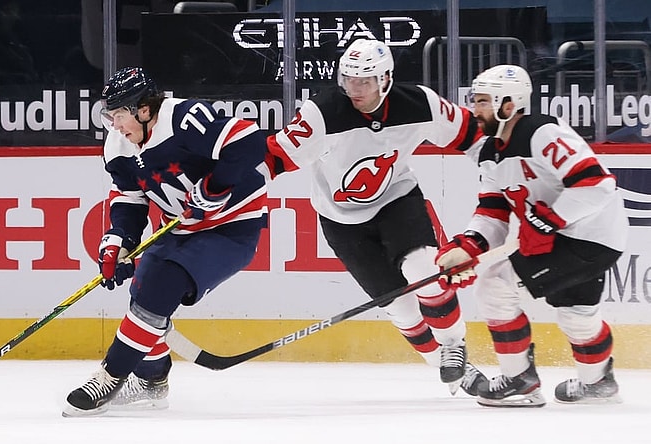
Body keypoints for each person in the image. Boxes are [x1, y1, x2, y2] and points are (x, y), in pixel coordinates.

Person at [265, 38, 485, 395]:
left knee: (423, 269)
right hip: (340, 220)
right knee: (401, 308)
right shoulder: (322, 113)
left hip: (397, 200)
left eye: (365, 81)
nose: (355, 89)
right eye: (349, 79)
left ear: (386, 79)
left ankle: (453, 344)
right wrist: (226, 189)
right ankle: (457, 373)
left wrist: (506, 174)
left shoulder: (420, 103)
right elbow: (275, 158)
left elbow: (472, 136)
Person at [63, 67, 269, 417]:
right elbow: (129, 198)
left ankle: (111, 375)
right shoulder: (117, 146)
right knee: (143, 295)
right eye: (109, 115)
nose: (114, 123)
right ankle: (151, 382)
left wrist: (215, 188)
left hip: (232, 225)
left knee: (162, 287)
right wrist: (119, 240)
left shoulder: (184, 118)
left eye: (119, 114)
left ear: (144, 110)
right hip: (182, 227)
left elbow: (249, 141)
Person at [435, 64, 628, 407]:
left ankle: (518, 381)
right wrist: (468, 246)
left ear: (508, 105)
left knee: (494, 285)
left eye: (481, 102)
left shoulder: (542, 132)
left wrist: (549, 220)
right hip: (574, 237)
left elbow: (597, 183)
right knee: (577, 314)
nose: (474, 110)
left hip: (587, 236)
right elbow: (493, 212)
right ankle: (597, 384)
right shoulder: (491, 152)